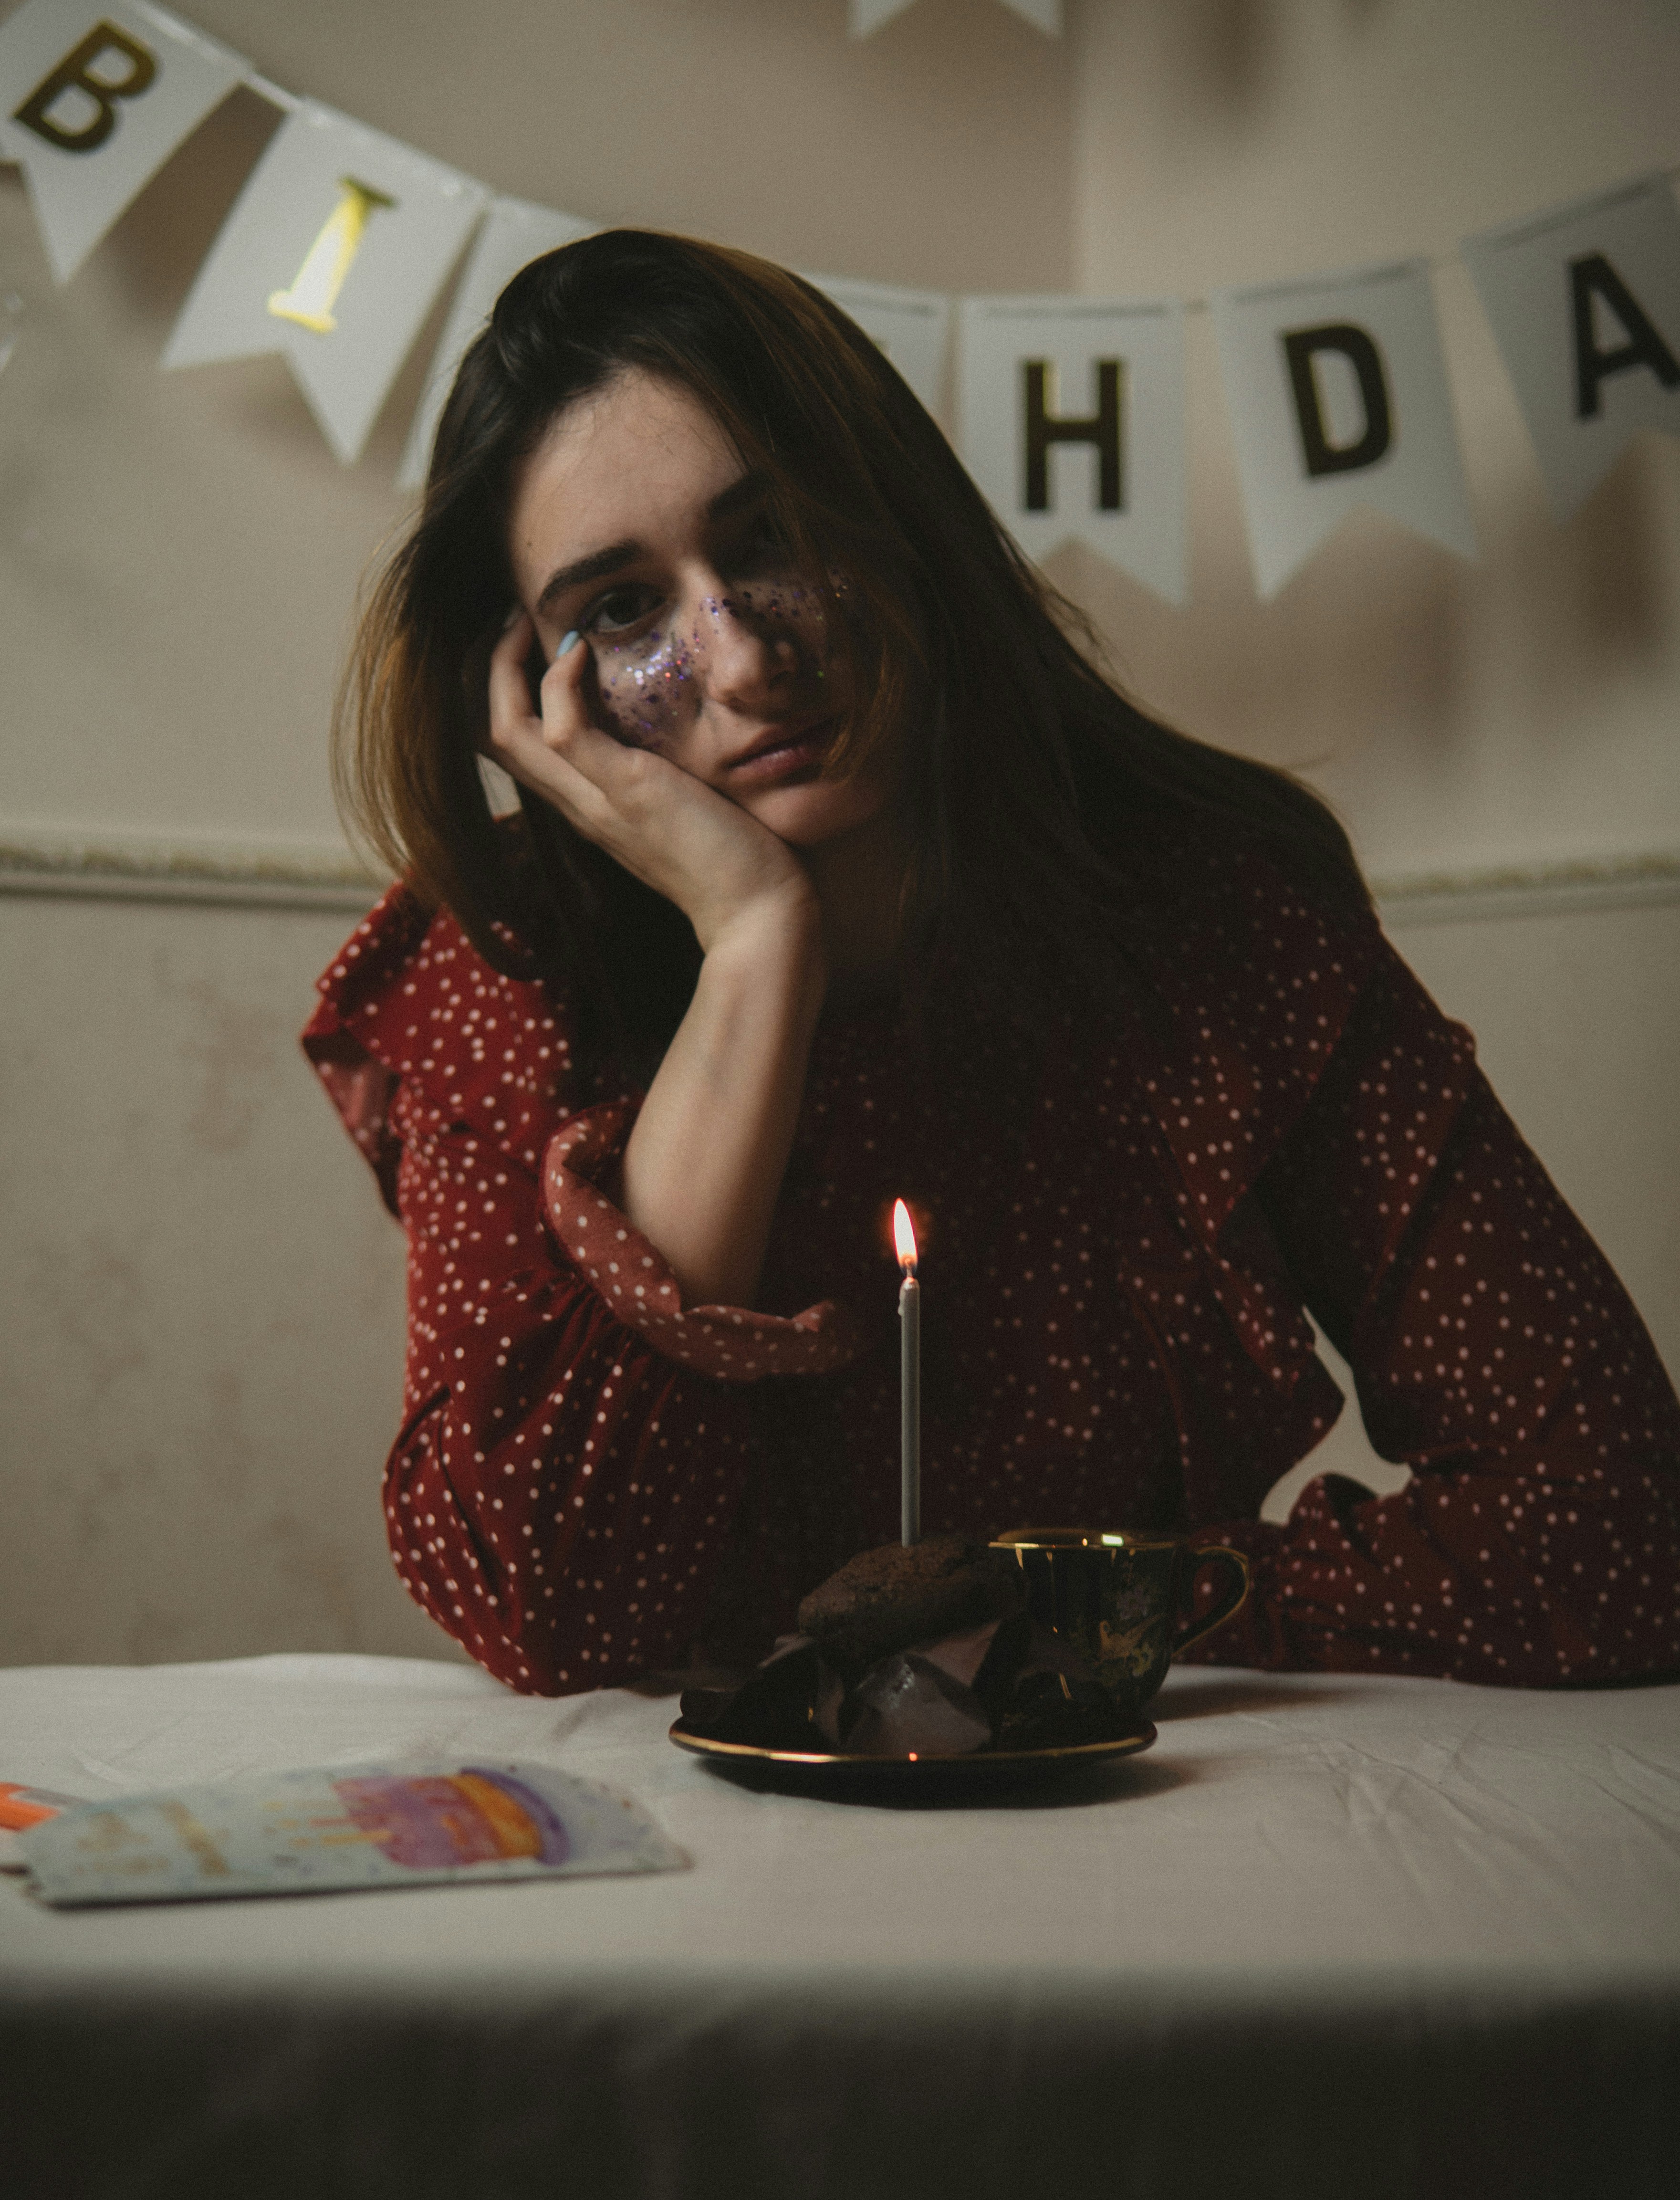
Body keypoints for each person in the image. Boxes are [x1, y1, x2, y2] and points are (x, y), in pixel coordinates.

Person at [304, 229, 1680, 1697]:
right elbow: (555, 1612)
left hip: (1146, 1813)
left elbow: (1613, 1526)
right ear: (536, 689)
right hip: (694, 1860)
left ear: (896, 520)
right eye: (623, 610)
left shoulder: (1210, 917)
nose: (745, 660)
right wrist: (758, 948)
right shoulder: (501, 969)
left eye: (768, 537)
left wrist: (1081, 1613)